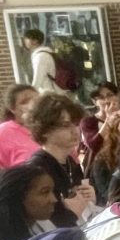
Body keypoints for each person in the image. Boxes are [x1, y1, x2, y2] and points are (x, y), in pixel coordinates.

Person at [25, 93, 96, 228]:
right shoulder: (37, 170)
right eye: (65, 125)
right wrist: (71, 212)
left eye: (75, 124)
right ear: (44, 130)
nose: (74, 130)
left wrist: (90, 198)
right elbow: (44, 222)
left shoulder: (70, 162)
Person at [0, 84, 40, 169]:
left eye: (37, 100)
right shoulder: (0, 134)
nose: (32, 105)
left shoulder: (48, 128)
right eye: (24, 102)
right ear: (12, 109)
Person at [79, 81, 119, 173]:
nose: (107, 100)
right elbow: (93, 144)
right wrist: (108, 119)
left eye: (110, 95)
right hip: (99, 168)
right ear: (95, 102)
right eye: (101, 98)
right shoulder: (88, 121)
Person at [21, 29, 59, 94]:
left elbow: (38, 78)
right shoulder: (44, 53)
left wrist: (30, 94)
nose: (25, 41)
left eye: (27, 38)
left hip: (49, 92)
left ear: (35, 41)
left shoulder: (40, 56)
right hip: (52, 90)